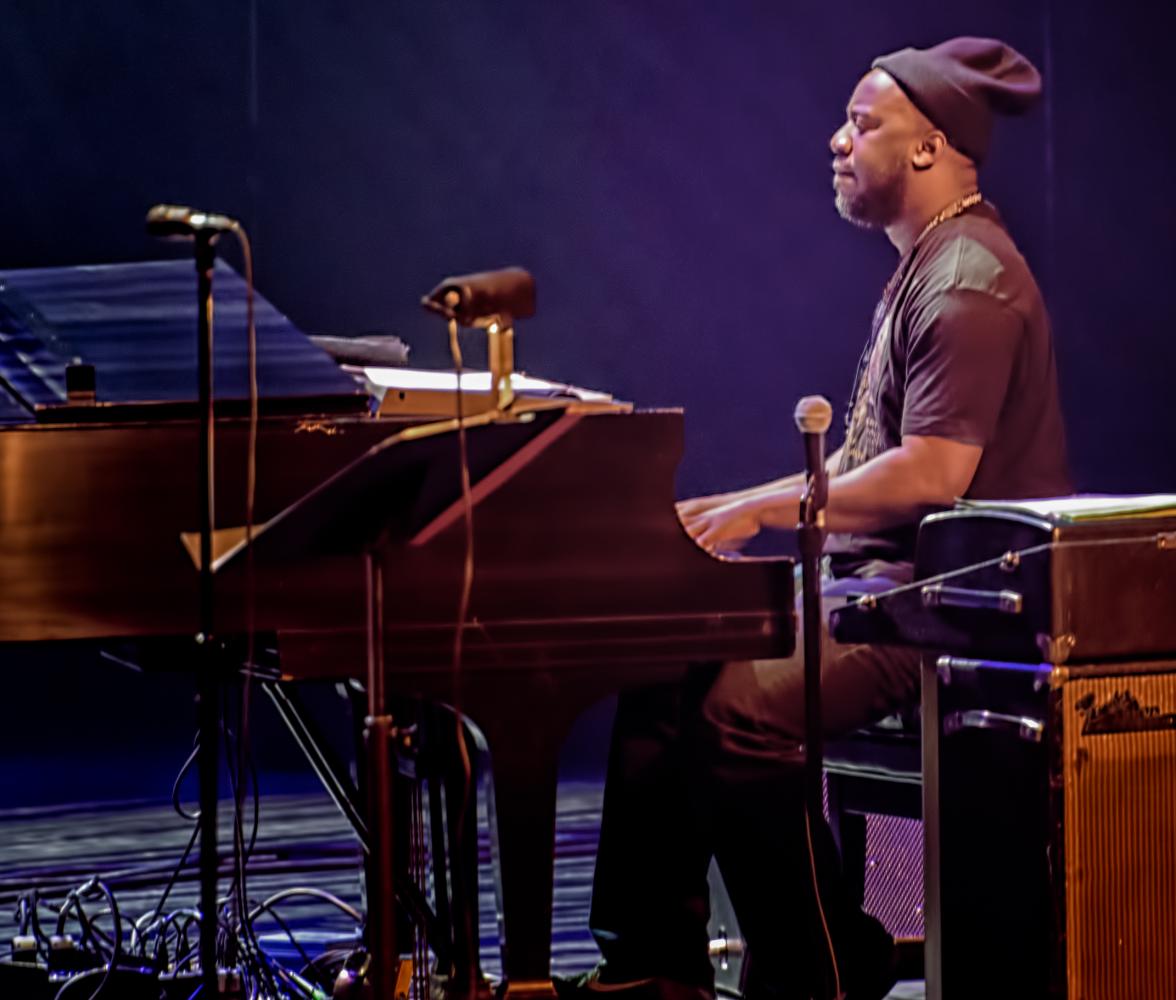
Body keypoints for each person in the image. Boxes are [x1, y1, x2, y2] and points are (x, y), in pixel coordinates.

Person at [560, 37, 1070, 1000]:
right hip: (878, 592)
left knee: (744, 715)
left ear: (927, 148)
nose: (837, 141)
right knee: (667, 652)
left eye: (862, 123)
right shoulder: (924, 266)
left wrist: (759, 509)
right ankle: (650, 969)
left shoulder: (967, 281)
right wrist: (724, 513)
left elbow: (930, 474)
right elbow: (860, 459)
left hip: (947, 611)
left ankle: (822, 969)